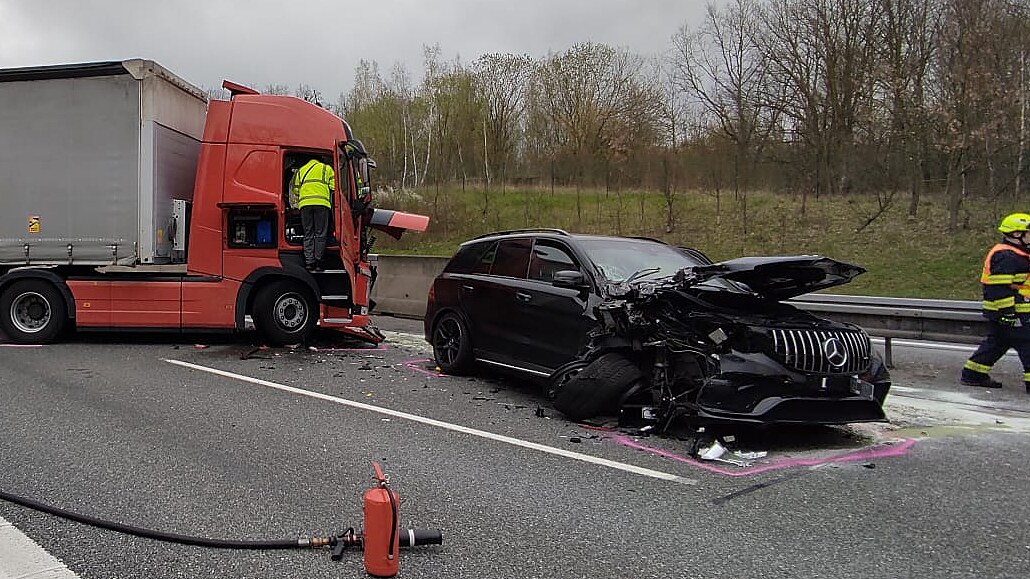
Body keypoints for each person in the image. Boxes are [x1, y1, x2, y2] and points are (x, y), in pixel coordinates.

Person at [961, 212, 1030, 393]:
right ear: (1017, 234)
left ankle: (973, 373)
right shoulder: (1007, 256)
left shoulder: (1018, 254)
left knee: (997, 343)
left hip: (1008, 312)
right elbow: (998, 289)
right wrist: (1008, 313)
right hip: (1013, 312)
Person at [293, 157, 335, 271]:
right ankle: (318, 262)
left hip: (305, 204)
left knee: (308, 233)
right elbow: (334, 187)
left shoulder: (301, 170)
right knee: (320, 233)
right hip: (322, 204)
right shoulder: (326, 168)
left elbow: (296, 190)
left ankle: (309, 262)